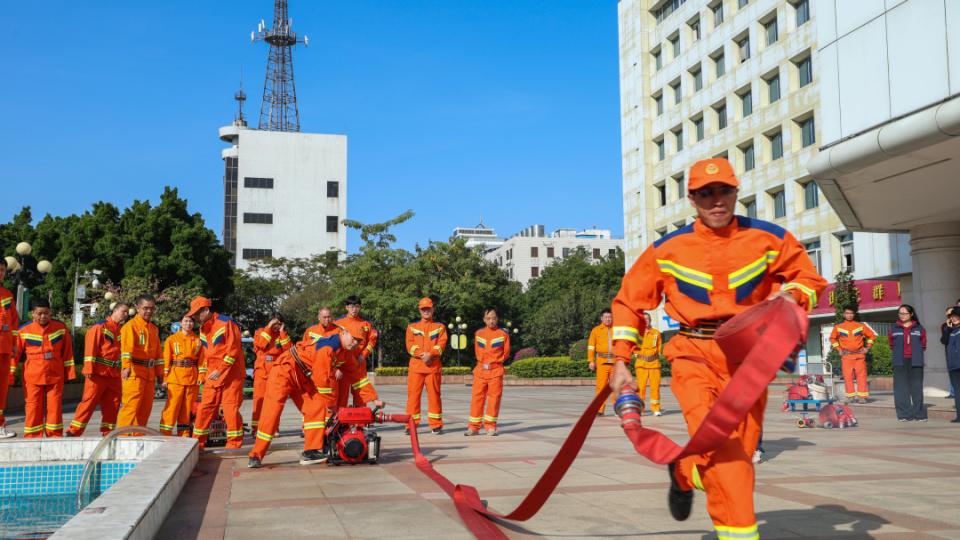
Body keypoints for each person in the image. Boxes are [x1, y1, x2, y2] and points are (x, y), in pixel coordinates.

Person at [607, 157, 826, 539]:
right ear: (692, 199)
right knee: (727, 455)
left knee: (738, 452)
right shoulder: (667, 250)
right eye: (705, 193)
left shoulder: (770, 239)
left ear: (736, 192)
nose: (716, 200)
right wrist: (621, 359)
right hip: (693, 354)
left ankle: (685, 469)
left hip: (748, 360)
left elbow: (808, 277)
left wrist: (792, 296)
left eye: (723, 190)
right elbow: (629, 302)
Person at [189, 296, 245, 449]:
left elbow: (233, 351)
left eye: (196, 314)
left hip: (231, 374)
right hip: (213, 373)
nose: (194, 317)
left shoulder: (227, 323)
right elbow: (207, 354)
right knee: (205, 406)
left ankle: (234, 443)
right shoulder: (202, 328)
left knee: (229, 408)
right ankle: (197, 442)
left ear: (206, 310)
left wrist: (220, 370)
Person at [67, 302, 129, 436]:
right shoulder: (100, 326)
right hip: (98, 373)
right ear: (115, 311)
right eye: (123, 311)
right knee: (89, 402)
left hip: (113, 375)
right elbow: (91, 347)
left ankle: (108, 433)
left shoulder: (120, 329)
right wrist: (88, 368)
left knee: (113, 404)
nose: (126, 314)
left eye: (127, 312)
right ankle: (74, 431)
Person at [16, 299, 76, 437]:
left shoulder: (60, 328)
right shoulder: (24, 330)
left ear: (50, 313)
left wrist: (70, 373)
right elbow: (15, 354)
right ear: (33, 314)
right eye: (39, 313)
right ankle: (32, 437)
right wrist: (11, 374)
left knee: (54, 407)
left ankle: (54, 435)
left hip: (55, 374)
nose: (43, 316)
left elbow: (67, 352)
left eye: (46, 313)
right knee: (33, 407)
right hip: (32, 375)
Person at [117, 295, 163, 430]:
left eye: (152, 308)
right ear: (137, 308)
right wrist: (125, 366)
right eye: (145, 308)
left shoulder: (154, 329)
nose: (149, 311)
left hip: (149, 374)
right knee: (131, 408)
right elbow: (126, 349)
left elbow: (158, 354)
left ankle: (138, 438)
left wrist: (160, 373)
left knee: (145, 409)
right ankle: (123, 439)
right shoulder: (130, 326)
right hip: (134, 372)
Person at [405, 297, 448, 434]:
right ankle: (411, 425)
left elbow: (441, 344)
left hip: (433, 367)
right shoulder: (412, 327)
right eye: (423, 309)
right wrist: (423, 355)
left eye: (428, 309)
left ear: (433, 309)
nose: (426, 311)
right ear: (419, 310)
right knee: (413, 397)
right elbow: (409, 345)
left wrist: (431, 354)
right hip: (417, 367)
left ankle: (436, 425)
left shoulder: (440, 327)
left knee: (434, 396)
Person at [466, 307, 511, 436]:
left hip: (495, 371)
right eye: (488, 318)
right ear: (484, 320)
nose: (491, 321)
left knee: (494, 399)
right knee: (476, 399)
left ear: (497, 319)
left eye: (494, 318)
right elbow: (477, 351)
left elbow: (506, 353)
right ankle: (473, 427)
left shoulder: (503, 334)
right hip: (480, 370)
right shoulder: (479, 333)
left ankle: (490, 426)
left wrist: (495, 362)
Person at [159, 314, 202, 436]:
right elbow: (166, 360)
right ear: (181, 323)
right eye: (186, 321)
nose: (188, 324)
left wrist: (201, 376)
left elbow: (202, 360)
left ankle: (184, 434)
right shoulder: (171, 339)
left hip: (192, 377)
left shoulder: (198, 340)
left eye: (191, 321)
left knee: (187, 409)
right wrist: (165, 378)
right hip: (175, 377)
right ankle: (165, 432)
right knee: (172, 406)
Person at [251, 315, 292, 435]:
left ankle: (273, 428)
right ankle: (256, 429)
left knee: (275, 401)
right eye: (274, 323)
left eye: (278, 323)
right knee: (259, 401)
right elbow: (261, 344)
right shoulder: (260, 332)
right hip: (262, 370)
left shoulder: (282, 335)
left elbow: (289, 350)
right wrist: (269, 327)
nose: (276, 326)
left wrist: (282, 332)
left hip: (276, 370)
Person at [334, 296, 378, 407]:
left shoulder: (366, 324)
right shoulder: (338, 323)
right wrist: (336, 367)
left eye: (357, 306)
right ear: (347, 307)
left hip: (359, 362)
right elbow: (334, 344)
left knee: (360, 393)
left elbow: (372, 341)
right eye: (352, 306)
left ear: (360, 307)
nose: (354, 309)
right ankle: (341, 421)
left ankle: (360, 422)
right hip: (343, 363)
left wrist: (363, 355)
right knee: (342, 392)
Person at [830, 306, 876, 404]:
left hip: (859, 355)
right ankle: (850, 396)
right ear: (844, 314)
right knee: (848, 376)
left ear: (854, 314)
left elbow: (872, 335)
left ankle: (862, 397)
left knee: (861, 376)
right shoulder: (838, 327)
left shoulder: (860, 326)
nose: (849, 315)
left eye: (851, 313)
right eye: (847, 313)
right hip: (846, 356)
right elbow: (832, 339)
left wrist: (867, 347)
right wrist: (838, 349)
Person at [890, 304, 927, 421]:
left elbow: (923, 345)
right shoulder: (893, 328)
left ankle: (919, 415)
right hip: (899, 362)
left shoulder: (919, 329)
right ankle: (904, 415)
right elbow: (891, 345)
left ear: (911, 314)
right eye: (900, 313)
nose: (903, 316)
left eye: (905, 313)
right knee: (901, 389)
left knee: (916, 389)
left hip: (915, 362)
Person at [0, 258, 19, 438]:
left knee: (1, 389)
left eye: (3, 270)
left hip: (4, 349)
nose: (1, 273)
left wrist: (13, 345)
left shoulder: (7, 294)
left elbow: (13, 322)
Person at [634, 313, 664, 416]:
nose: (646, 321)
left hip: (654, 364)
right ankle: (640, 408)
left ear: (650, 320)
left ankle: (656, 409)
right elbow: (634, 348)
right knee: (640, 388)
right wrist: (637, 354)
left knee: (655, 387)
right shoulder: (638, 334)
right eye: (644, 319)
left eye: (648, 319)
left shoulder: (656, 333)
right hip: (641, 364)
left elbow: (659, 347)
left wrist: (658, 353)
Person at [587, 309, 616, 416]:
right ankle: (599, 409)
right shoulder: (596, 330)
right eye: (606, 317)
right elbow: (591, 347)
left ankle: (617, 408)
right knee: (601, 387)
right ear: (602, 318)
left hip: (614, 362)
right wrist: (591, 361)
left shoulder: (616, 329)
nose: (608, 319)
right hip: (601, 362)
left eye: (610, 317)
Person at [939, 307, 960, 423]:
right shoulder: (951, 330)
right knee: (957, 392)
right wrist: (947, 329)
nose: (954, 318)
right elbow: (944, 341)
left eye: (956, 316)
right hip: (953, 365)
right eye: (952, 316)